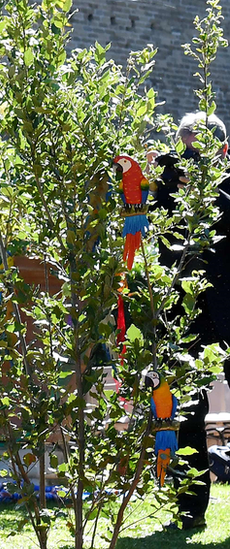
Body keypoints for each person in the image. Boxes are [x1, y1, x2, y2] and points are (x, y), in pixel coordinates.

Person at [153, 111, 230, 531]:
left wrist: (210, 190)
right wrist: (164, 181)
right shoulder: (167, 185)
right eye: (182, 148)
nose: (187, 158)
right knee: (183, 412)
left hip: (228, 310)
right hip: (184, 317)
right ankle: (189, 512)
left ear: (220, 151)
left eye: (195, 150)